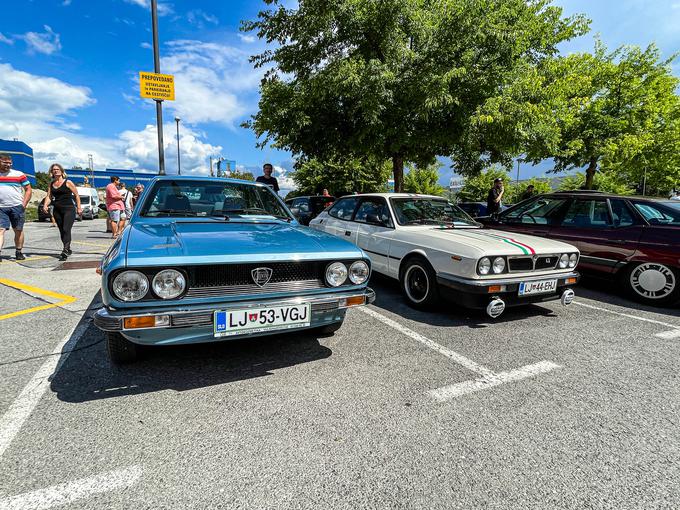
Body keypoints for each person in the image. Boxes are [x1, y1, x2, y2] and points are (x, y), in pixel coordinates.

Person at [42, 164, 82, 261]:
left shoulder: (68, 182)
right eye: (54, 170)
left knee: (66, 229)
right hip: (57, 210)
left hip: (69, 209)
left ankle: (64, 250)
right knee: (61, 230)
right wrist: (45, 205)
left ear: (61, 171)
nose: (56, 171)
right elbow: (49, 196)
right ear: (52, 172)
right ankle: (67, 248)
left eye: (57, 169)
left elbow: (76, 195)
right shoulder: (51, 184)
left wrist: (79, 208)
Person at [0, 153, 32, 261]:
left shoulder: (19, 174)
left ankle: (19, 251)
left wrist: (24, 204)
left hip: (17, 207)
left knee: (18, 230)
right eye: (5, 162)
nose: (8, 165)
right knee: (0, 230)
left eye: (10, 163)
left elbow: (28, 189)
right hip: (1, 208)